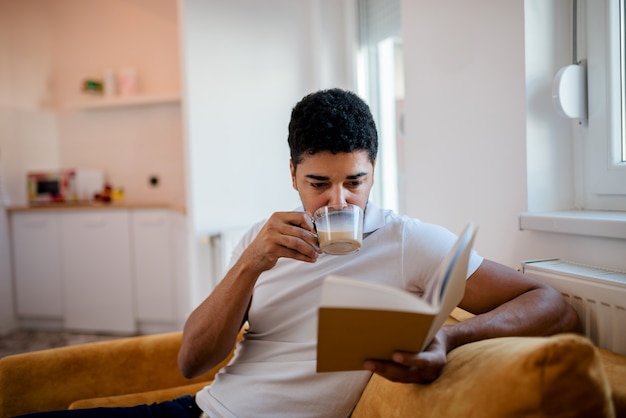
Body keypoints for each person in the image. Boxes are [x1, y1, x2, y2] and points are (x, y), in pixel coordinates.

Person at [17, 88, 581, 418]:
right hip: (202, 411)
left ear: (373, 172)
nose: (341, 201)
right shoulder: (260, 243)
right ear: (291, 175)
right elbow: (193, 362)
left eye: (355, 182)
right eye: (319, 184)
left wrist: (449, 338)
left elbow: (553, 304)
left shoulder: (409, 241)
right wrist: (250, 264)